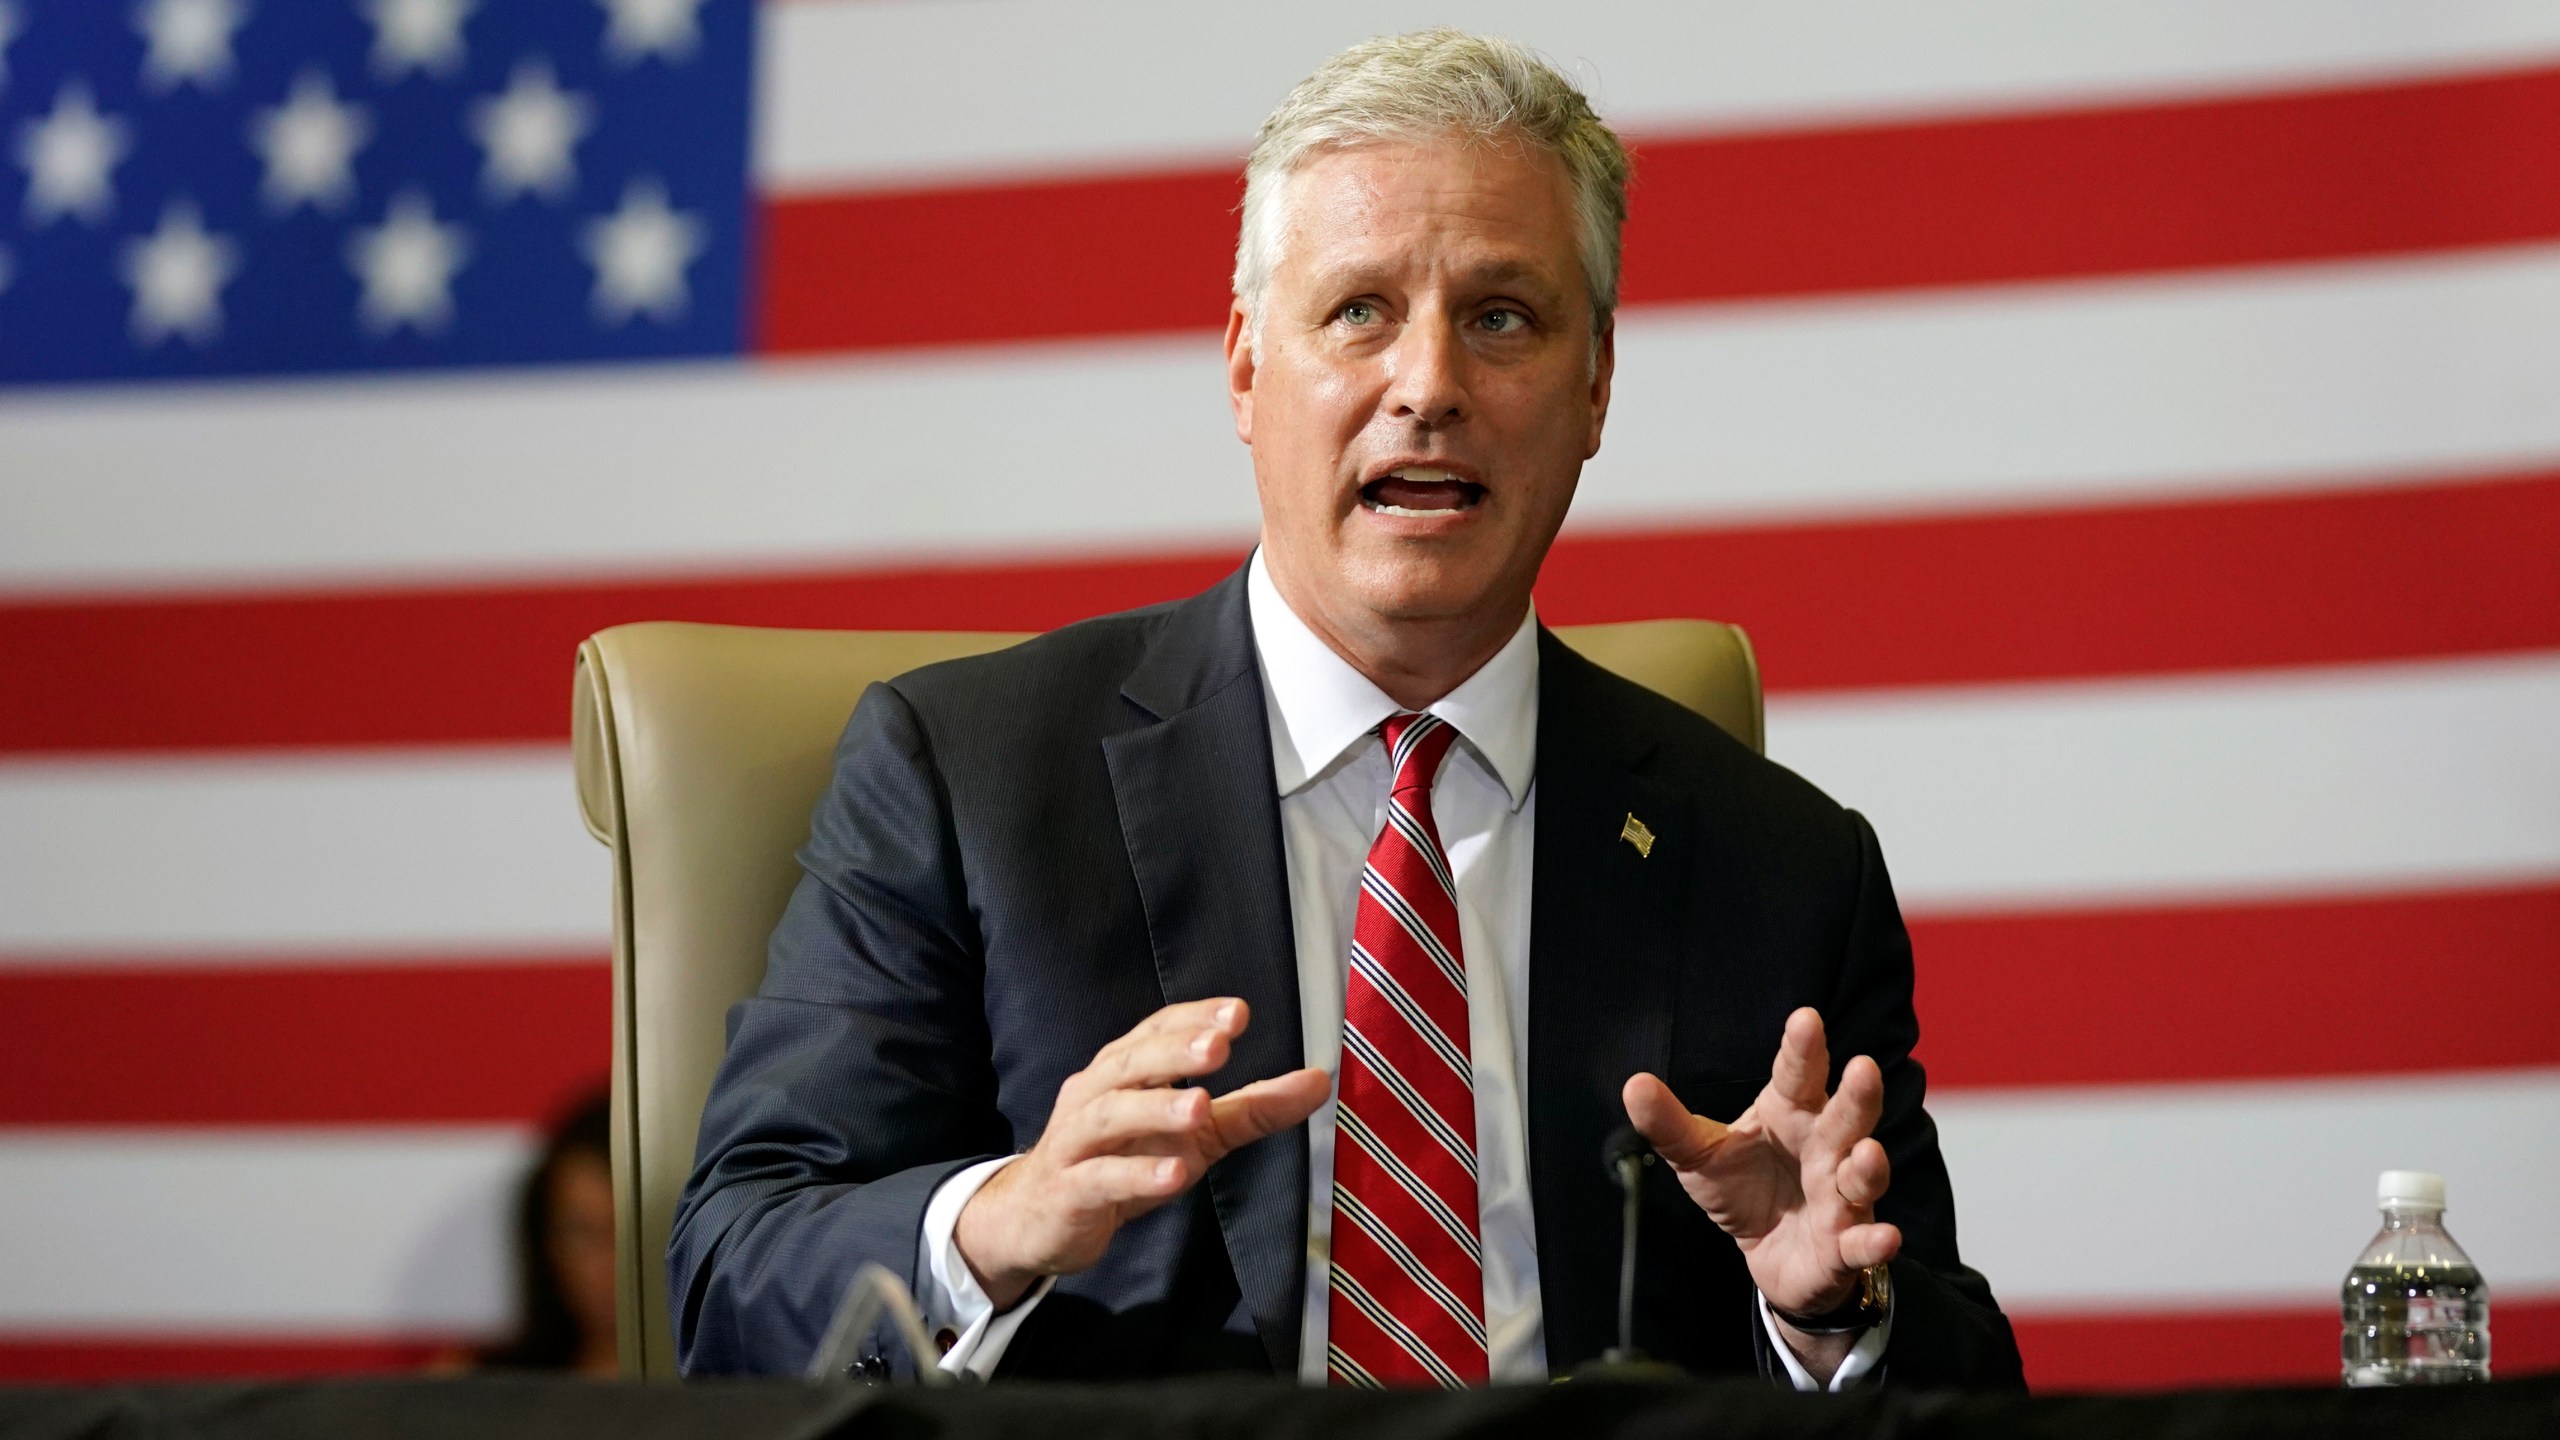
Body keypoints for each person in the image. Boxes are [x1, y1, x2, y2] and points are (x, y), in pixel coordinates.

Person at [672, 30, 2024, 1390]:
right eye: (1360, 311)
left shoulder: (1784, 866)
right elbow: (737, 1272)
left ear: (1597, 385)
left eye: (1502, 316)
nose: (1428, 386)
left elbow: (1962, 1376)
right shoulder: (969, 782)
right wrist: (1003, 1220)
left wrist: (1831, 1321)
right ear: (1249, 372)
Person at [474, 1090, 620, 1377]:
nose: (612, 1262)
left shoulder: (726, 1389)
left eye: (626, 1236)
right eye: (584, 1233)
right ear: (547, 1245)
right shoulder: (487, 1394)